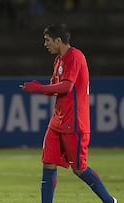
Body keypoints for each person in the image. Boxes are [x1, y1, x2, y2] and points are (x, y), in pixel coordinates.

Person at [20, 23, 117, 203]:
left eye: (47, 40)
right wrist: (38, 88)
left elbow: (66, 87)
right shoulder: (58, 60)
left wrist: (39, 88)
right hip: (58, 120)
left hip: (74, 122)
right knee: (48, 162)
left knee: (79, 168)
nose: (45, 44)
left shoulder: (75, 56)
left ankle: (110, 201)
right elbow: (55, 88)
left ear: (58, 40)